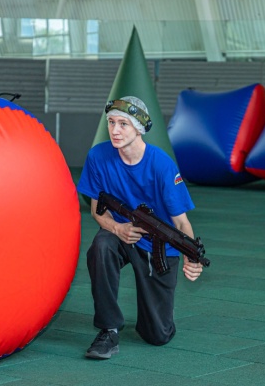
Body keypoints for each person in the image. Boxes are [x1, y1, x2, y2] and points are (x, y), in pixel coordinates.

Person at [77, 95, 203, 360]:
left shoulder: (162, 165)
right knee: (101, 246)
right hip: (121, 236)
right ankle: (108, 329)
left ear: (139, 128)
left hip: (158, 245)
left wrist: (191, 256)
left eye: (123, 124)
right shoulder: (98, 156)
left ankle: (158, 315)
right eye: (111, 122)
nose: (115, 130)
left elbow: (181, 222)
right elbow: (97, 208)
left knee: (157, 335)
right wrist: (117, 228)